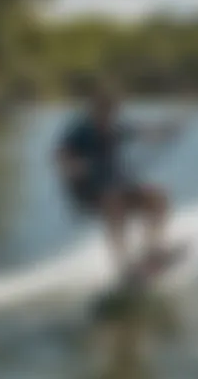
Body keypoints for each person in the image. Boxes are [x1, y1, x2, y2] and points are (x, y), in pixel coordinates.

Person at [55, 87, 179, 276]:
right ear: (94, 111)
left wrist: (166, 130)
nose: (108, 117)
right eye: (103, 112)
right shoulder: (80, 132)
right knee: (113, 202)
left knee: (157, 196)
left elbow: (145, 131)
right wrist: (75, 166)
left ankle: (153, 249)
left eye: (111, 112)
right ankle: (123, 263)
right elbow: (61, 155)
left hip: (119, 187)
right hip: (90, 194)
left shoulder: (116, 128)